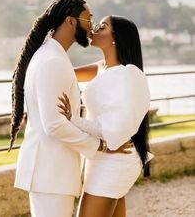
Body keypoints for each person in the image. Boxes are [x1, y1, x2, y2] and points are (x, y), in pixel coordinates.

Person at [8, 0, 132, 217]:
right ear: (70, 21)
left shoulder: (51, 56)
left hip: (51, 173)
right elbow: (54, 125)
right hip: (50, 173)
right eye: (88, 19)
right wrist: (102, 147)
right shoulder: (52, 60)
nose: (91, 26)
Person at [58, 15, 154, 217]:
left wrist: (72, 118)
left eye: (102, 26)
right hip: (101, 155)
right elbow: (63, 72)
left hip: (116, 157)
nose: (94, 28)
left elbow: (112, 128)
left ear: (115, 38)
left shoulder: (127, 75)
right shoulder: (102, 68)